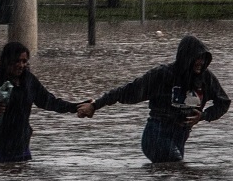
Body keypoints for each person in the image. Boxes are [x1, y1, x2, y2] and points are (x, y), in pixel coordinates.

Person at [77, 35, 230, 163]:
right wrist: (95, 105)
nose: (201, 63)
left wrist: (204, 116)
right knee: (177, 169)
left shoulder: (206, 78)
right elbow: (126, 91)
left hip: (181, 134)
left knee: (173, 178)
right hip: (156, 134)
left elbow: (223, 102)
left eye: (204, 59)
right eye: (197, 58)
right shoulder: (162, 75)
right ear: (186, 57)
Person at [0, 42, 81, 162]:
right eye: (17, 61)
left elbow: (49, 101)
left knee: (22, 176)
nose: (21, 65)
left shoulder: (29, 81)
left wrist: (76, 107)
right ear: (6, 60)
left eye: (24, 62)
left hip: (20, 143)